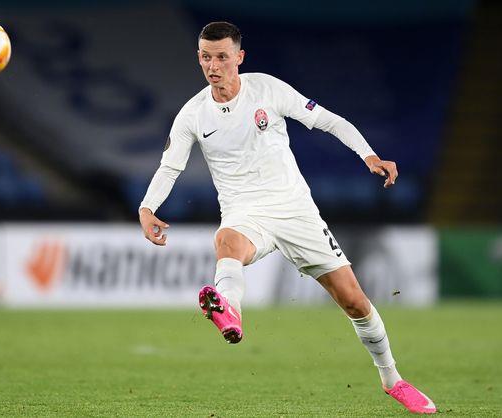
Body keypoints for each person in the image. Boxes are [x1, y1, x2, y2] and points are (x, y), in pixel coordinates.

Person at [138, 21, 436, 415]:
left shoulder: (267, 89)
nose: (213, 66)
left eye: (222, 57)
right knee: (226, 241)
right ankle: (229, 311)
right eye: (206, 57)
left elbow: (329, 120)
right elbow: (170, 167)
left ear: (239, 58)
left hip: (296, 210)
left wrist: (368, 154)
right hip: (244, 211)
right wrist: (147, 208)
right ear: (199, 57)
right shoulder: (192, 114)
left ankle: (392, 379)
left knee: (355, 302)